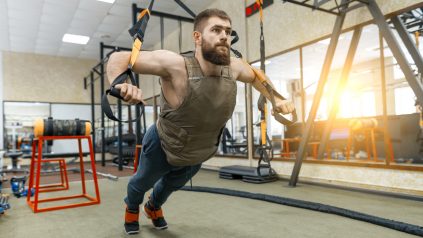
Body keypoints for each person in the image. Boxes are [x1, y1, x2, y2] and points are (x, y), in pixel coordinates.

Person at [106, 8, 295, 235]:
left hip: (199, 149)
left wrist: (276, 98)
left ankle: (153, 207)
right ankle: (132, 207)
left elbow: (256, 75)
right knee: (140, 183)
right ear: (197, 37)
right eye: (215, 30)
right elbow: (119, 58)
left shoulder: (233, 67)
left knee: (171, 185)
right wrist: (120, 84)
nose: (224, 35)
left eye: (227, 31)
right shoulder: (175, 65)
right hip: (162, 144)